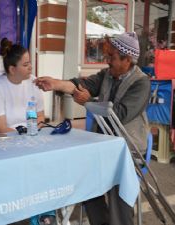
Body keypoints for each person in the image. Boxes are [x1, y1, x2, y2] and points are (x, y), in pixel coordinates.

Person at [35, 32, 151, 225]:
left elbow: (120, 114)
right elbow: (81, 84)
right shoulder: (107, 75)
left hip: (128, 150)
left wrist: (88, 102)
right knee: (85, 183)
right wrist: (55, 83)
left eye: (112, 57)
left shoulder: (141, 82)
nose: (107, 61)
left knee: (118, 191)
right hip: (103, 147)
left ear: (127, 59)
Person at [0, 38, 55, 225]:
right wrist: (26, 138)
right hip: (7, 146)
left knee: (48, 164)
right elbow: (0, 129)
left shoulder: (34, 83)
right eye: (25, 64)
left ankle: (45, 212)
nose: (31, 67)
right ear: (12, 69)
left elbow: (41, 118)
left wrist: (31, 135)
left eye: (30, 62)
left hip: (31, 140)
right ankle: (25, 213)